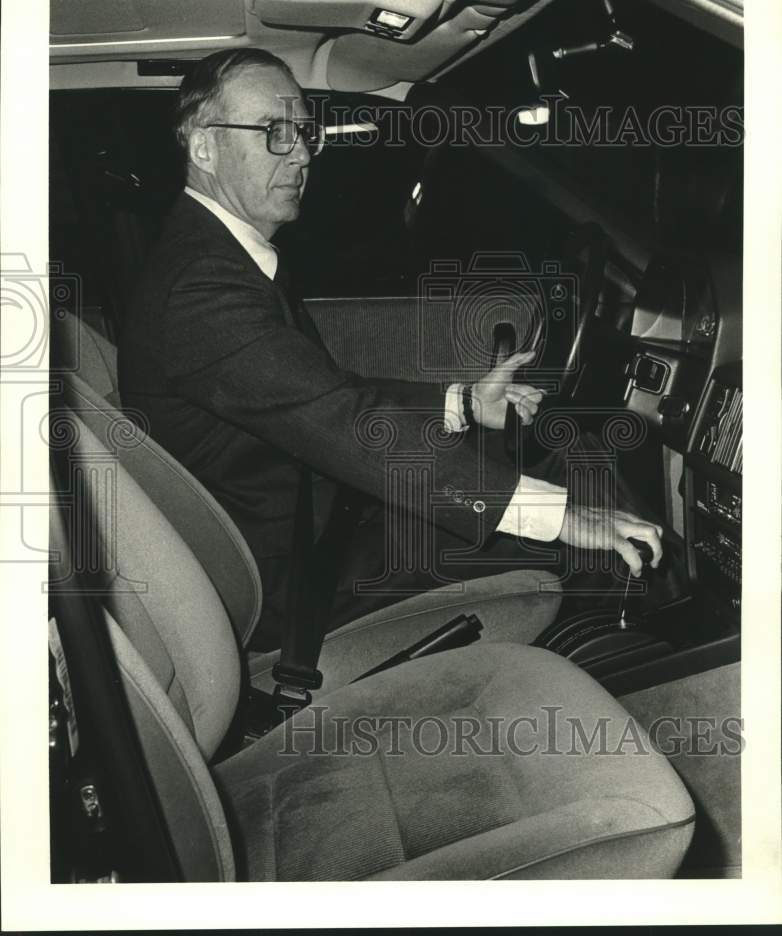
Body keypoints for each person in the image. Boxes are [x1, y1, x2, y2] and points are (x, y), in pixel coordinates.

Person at [118, 48, 663, 651]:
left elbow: (321, 393)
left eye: (304, 130)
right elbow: (340, 419)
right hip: (293, 577)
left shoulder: (223, 257)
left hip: (314, 522)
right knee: (571, 515)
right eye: (274, 132)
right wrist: (556, 515)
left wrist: (461, 401)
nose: (300, 152)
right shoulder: (201, 286)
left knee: (562, 466)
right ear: (203, 147)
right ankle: (640, 679)